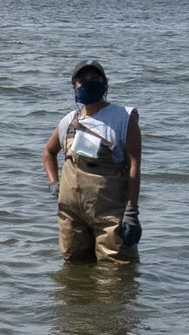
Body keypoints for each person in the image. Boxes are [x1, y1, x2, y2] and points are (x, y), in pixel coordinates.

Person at [39, 60, 141, 264]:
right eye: (83, 80)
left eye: (95, 79)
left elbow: (134, 165)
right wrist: (53, 183)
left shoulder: (123, 117)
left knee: (116, 269)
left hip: (109, 211)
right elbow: (49, 152)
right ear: (74, 85)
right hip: (71, 211)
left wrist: (132, 210)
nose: (89, 83)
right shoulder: (69, 120)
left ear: (105, 83)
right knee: (74, 268)